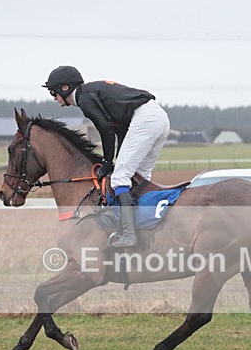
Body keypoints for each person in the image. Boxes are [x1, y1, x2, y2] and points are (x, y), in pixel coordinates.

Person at [43, 65, 170, 247]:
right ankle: (143, 229)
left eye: (53, 93)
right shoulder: (90, 93)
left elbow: (106, 130)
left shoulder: (84, 98)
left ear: (65, 88)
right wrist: (113, 161)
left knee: (120, 178)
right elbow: (119, 132)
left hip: (146, 119)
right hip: (158, 117)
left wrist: (107, 161)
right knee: (138, 177)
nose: (54, 98)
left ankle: (129, 234)